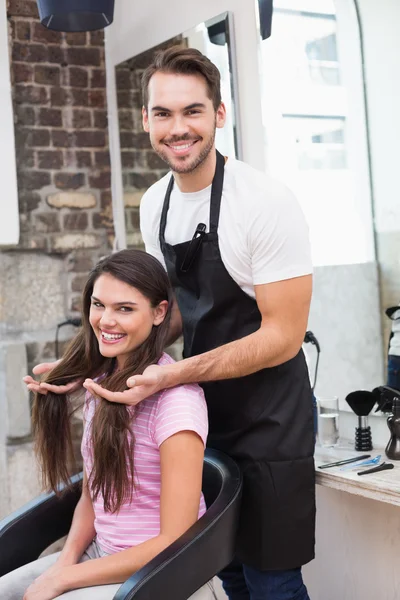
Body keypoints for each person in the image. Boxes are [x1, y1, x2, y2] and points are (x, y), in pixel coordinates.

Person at [34, 47, 316, 600]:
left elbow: (283, 336)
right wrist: (86, 366)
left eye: (192, 111)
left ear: (219, 114)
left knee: (271, 580)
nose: (177, 128)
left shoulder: (264, 204)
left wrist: (170, 376)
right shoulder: (156, 202)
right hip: (199, 414)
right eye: (163, 113)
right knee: (226, 572)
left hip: (267, 423)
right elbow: (170, 310)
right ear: (146, 120)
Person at [2, 249, 210, 600]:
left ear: (159, 313)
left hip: (156, 575)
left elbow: (175, 538)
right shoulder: (101, 383)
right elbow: (93, 492)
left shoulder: (178, 404)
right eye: (98, 305)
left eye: (124, 309)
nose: (105, 320)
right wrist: (64, 562)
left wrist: (66, 580)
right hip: (100, 555)